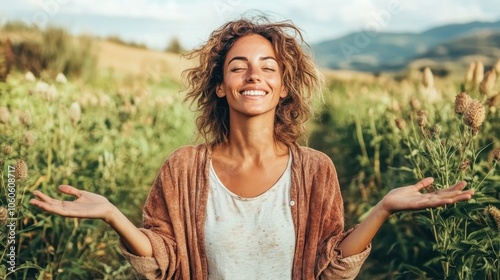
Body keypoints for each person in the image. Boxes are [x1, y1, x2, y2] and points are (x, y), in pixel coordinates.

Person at [30, 16, 474, 280]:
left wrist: (383, 209)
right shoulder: (183, 169)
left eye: (268, 67)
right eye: (238, 67)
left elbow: (329, 265)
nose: (253, 76)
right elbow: (164, 260)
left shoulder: (315, 170)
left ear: (282, 88)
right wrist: (112, 214)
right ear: (221, 86)